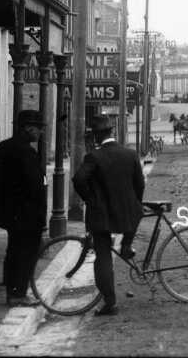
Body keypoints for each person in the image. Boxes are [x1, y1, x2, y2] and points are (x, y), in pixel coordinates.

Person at [72, 114, 145, 317]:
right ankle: (126, 246)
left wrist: (90, 199)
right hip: (127, 212)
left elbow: (78, 180)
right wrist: (133, 203)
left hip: (102, 214)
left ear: (96, 136)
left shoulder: (94, 156)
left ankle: (110, 303)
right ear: (112, 131)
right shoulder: (130, 154)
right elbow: (140, 185)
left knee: (103, 256)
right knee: (133, 220)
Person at [0, 109, 46, 308]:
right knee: (25, 254)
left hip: (9, 210)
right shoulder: (26, 152)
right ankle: (17, 294)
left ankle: (11, 286)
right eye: (38, 128)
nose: (40, 132)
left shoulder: (3, 147)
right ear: (28, 128)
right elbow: (34, 185)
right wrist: (40, 216)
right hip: (26, 212)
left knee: (14, 250)